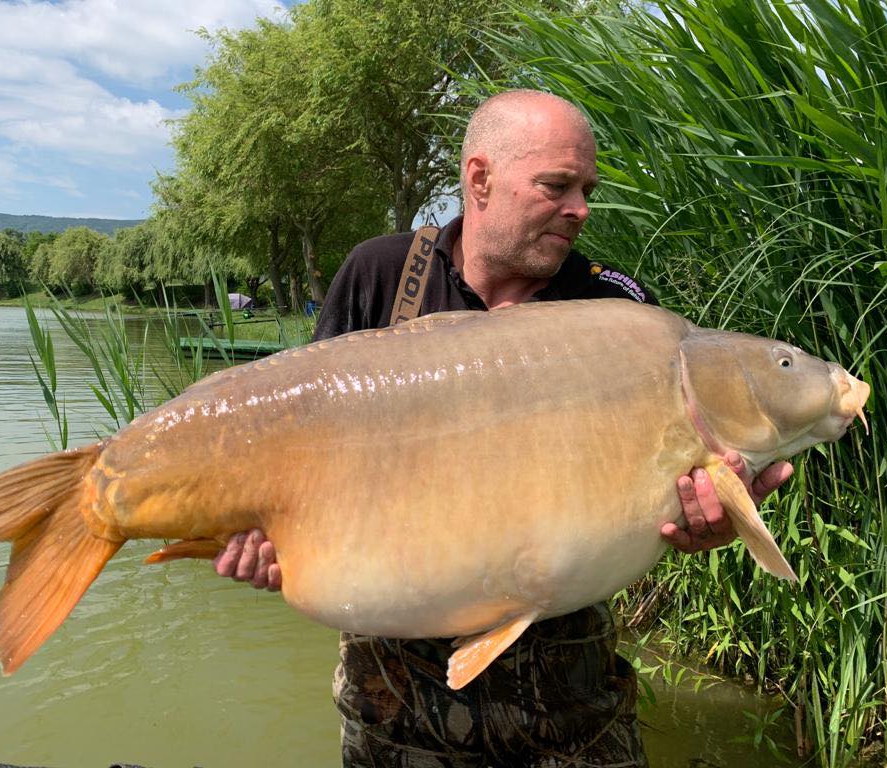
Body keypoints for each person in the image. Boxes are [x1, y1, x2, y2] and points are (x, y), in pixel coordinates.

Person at [214, 90, 793, 767]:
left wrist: (708, 525)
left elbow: (663, 494)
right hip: (392, 709)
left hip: (571, 711)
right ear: (480, 178)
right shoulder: (380, 273)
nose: (581, 208)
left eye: (587, 190)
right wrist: (264, 537)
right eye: (557, 185)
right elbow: (301, 447)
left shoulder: (615, 307)